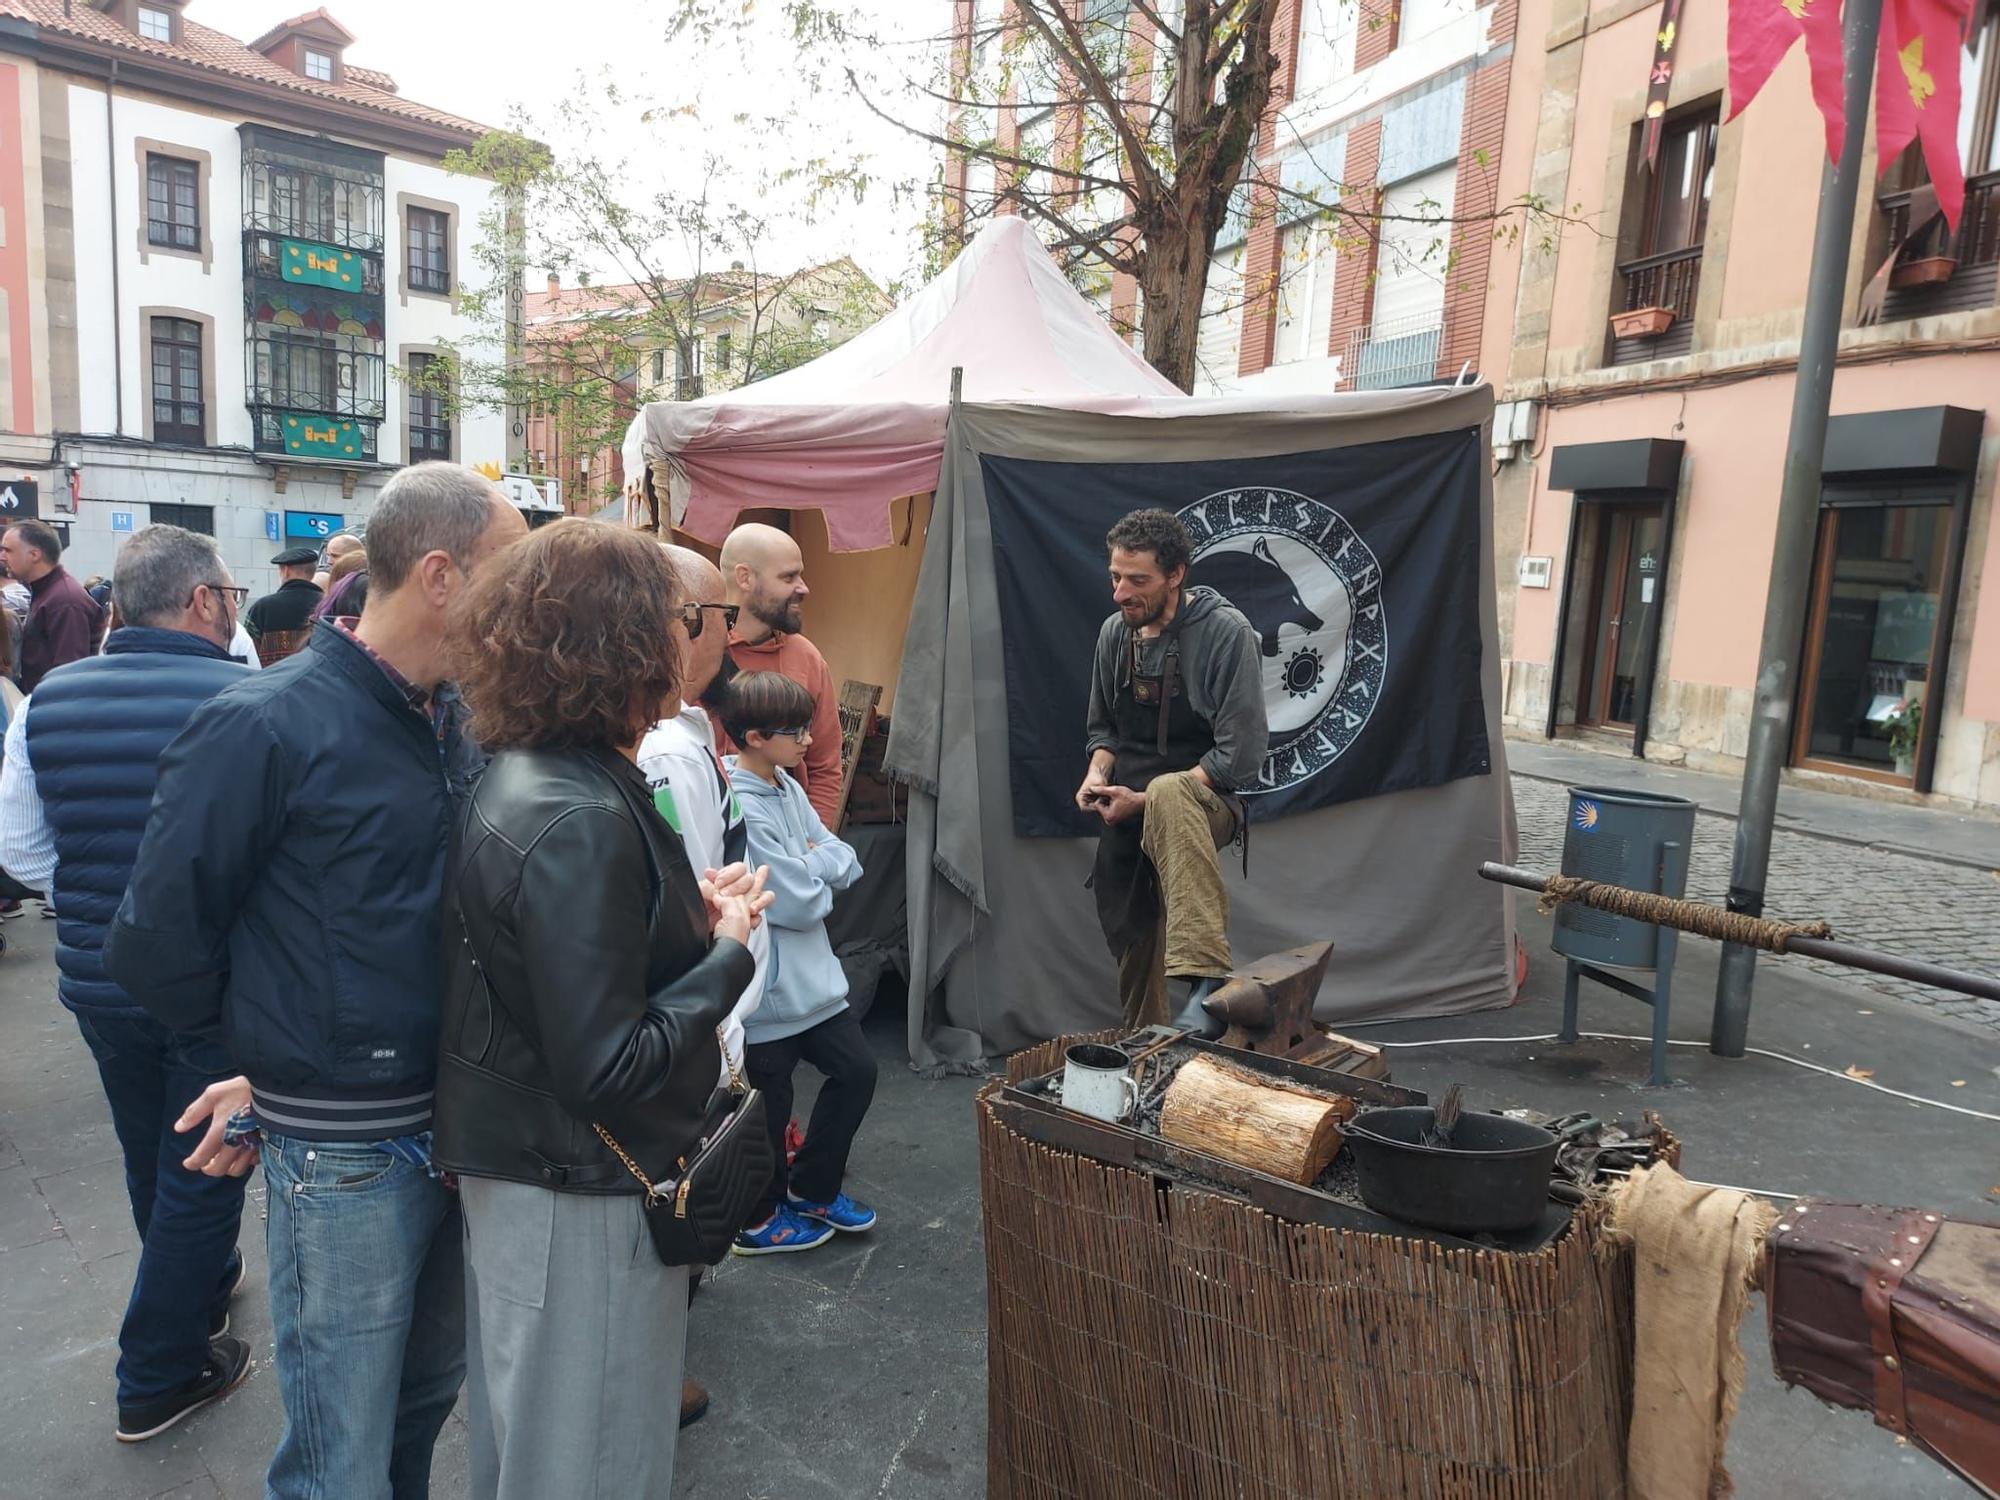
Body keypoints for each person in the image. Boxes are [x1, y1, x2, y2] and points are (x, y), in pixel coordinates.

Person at [104, 463, 528, 1500]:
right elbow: (154, 940)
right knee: (337, 1456)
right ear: (441, 574)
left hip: (455, 1129)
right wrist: (268, 1058)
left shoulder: (457, 719)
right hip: (342, 1156)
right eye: (509, 575)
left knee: (420, 1407)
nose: (523, 602)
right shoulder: (261, 723)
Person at [434, 520, 768, 1499]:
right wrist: (727, 955)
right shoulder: (577, 807)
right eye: (688, 616)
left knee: (540, 1441)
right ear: (624, 639)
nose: (699, 637)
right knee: (581, 1456)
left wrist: (682, 922)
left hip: (544, 1168)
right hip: (574, 1185)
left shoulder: (547, 773)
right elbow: (607, 1065)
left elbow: (561, 967)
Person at [0, 525, 257, 1439]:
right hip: (211, 984)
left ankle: (191, 1288)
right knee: (206, 1167)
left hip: (99, 977)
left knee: (149, 1144)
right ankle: (159, 1369)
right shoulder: (250, 698)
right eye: (229, 597)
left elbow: (24, 853)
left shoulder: (48, 700)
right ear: (203, 601)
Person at [637, 545, 770, 1428]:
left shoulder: (685, 735)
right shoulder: (661, 751)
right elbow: (673, 896)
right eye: (721, 613)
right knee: (678, 1185)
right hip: (696, 1004)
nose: (731, 629)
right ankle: (655, 1367)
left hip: (714, 986)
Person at [1077, 509, 1268, 1032]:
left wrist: (1150, 798)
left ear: (1176, 574)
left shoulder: (1226, 635)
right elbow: (1103, 731)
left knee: (1168, 792)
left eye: (1138, 580)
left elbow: (1241, 758)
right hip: (1127, 805)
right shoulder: (1114, 636)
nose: (1120, 593)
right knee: (1135, 941)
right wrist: (1097, 775)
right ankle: (1149, 1053)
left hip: (1208, 803)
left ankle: (1206, 978)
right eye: (1116, 577)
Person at [724, 670, 876, 1256]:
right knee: (768, 1107)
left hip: (814, 984)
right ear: (756, 736)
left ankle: (812, 1188)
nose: (811, 741)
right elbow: (793, 899)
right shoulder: (742, 800)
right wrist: (816, 867)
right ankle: (759, 1220)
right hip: (766, 990)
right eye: (796, 731)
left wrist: (812, 864)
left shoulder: (786, 785)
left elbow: (842, 856)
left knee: (857, 1071)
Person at [714, 523, 844, 827]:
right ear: (744, 577)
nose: (803, 587)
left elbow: (824, 767)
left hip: (786, 844)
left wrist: (813, 840)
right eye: (788, 577)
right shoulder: (696, 651)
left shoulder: (807, 659)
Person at [3, 519, 105, 692]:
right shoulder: (48, 592)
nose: (2, 556)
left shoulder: (65, 601)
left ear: (34, 555)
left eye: (8, 550)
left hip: (55, 709)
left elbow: (69, 675)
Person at [242, 545, 324, 665]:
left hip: (270, 680)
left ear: (286, 571)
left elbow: (249, 649)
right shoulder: (328, 604)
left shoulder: (261, 608)